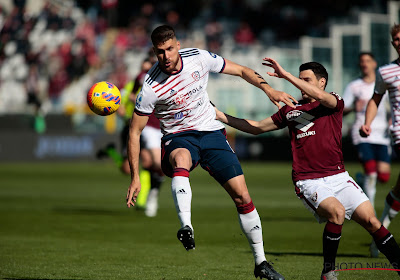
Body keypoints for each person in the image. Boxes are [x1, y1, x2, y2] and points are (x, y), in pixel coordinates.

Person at [126, 25, 297, 280]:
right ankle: (186, 226)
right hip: (178, 136)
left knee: (242, 196)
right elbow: (134, 132)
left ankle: (261, 263)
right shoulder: (150, 87)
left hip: (212, 132)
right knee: (181, 160)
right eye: (160, 52)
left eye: (170, 49)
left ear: (178, 45)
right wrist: (136, 177)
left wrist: (268, 89)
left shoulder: (199, 58)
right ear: (154, 52)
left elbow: (240, 70)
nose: (167, 56)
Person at [214, 58, 400, 280]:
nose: (300, 84)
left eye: (306, 80)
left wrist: (285, 75)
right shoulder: (290, 110)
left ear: (322, 82)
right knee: (337, 213)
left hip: (339, 177)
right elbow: (256, 128)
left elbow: (322, 97)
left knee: (372, 222)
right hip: (309, 180)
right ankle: (328, 272)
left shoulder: (333, 102)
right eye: (299, 79)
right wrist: (218, 115)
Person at [98, 57, 164, 217]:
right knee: (136, 167)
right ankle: (150, 196)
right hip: (143, 125)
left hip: (162, 125)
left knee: (151, 163)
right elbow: (126, 96)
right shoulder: (140, 78)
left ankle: (152, 196)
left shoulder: (165, 76)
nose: (145, 70)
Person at [360, 23, 400, 253]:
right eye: (395, 40)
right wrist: (367, 122)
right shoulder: (386, 72)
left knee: (397, 190)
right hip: (399, 134)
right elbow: (375, 100)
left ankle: (380, 233)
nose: (398, 43)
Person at [343, 52, 391, 209]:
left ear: (374, 64)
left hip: (382, 134)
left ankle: (361, 180)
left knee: (383, 176)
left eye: (368, 61)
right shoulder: (354, 86)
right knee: (371, 171)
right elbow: (342, 109)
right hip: (362, 132)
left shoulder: (383, 83)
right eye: (362, 61)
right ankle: (370, 210)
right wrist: (352, 108)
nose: (365, 64)